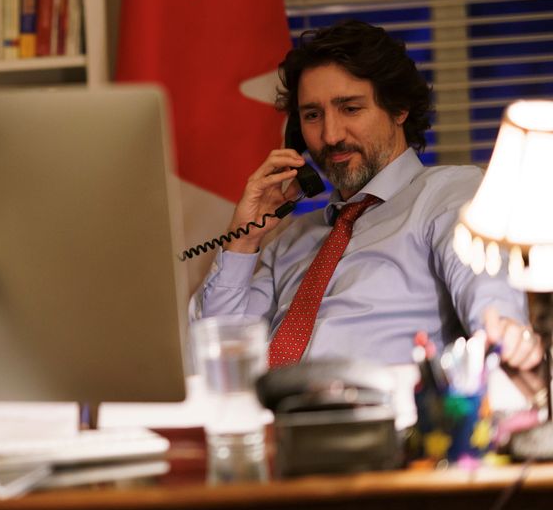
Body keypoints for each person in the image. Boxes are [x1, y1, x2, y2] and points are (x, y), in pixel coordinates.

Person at [190, 19, 542, 370]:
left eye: (351, 109)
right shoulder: (290, 241)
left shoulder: (449, 195)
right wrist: (244, 240)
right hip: (270, 416)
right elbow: (214, 356)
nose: (330, 136)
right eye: (313, 115)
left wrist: (504, 331)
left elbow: (482, 282)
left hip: (383, 414)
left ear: (398, 108)